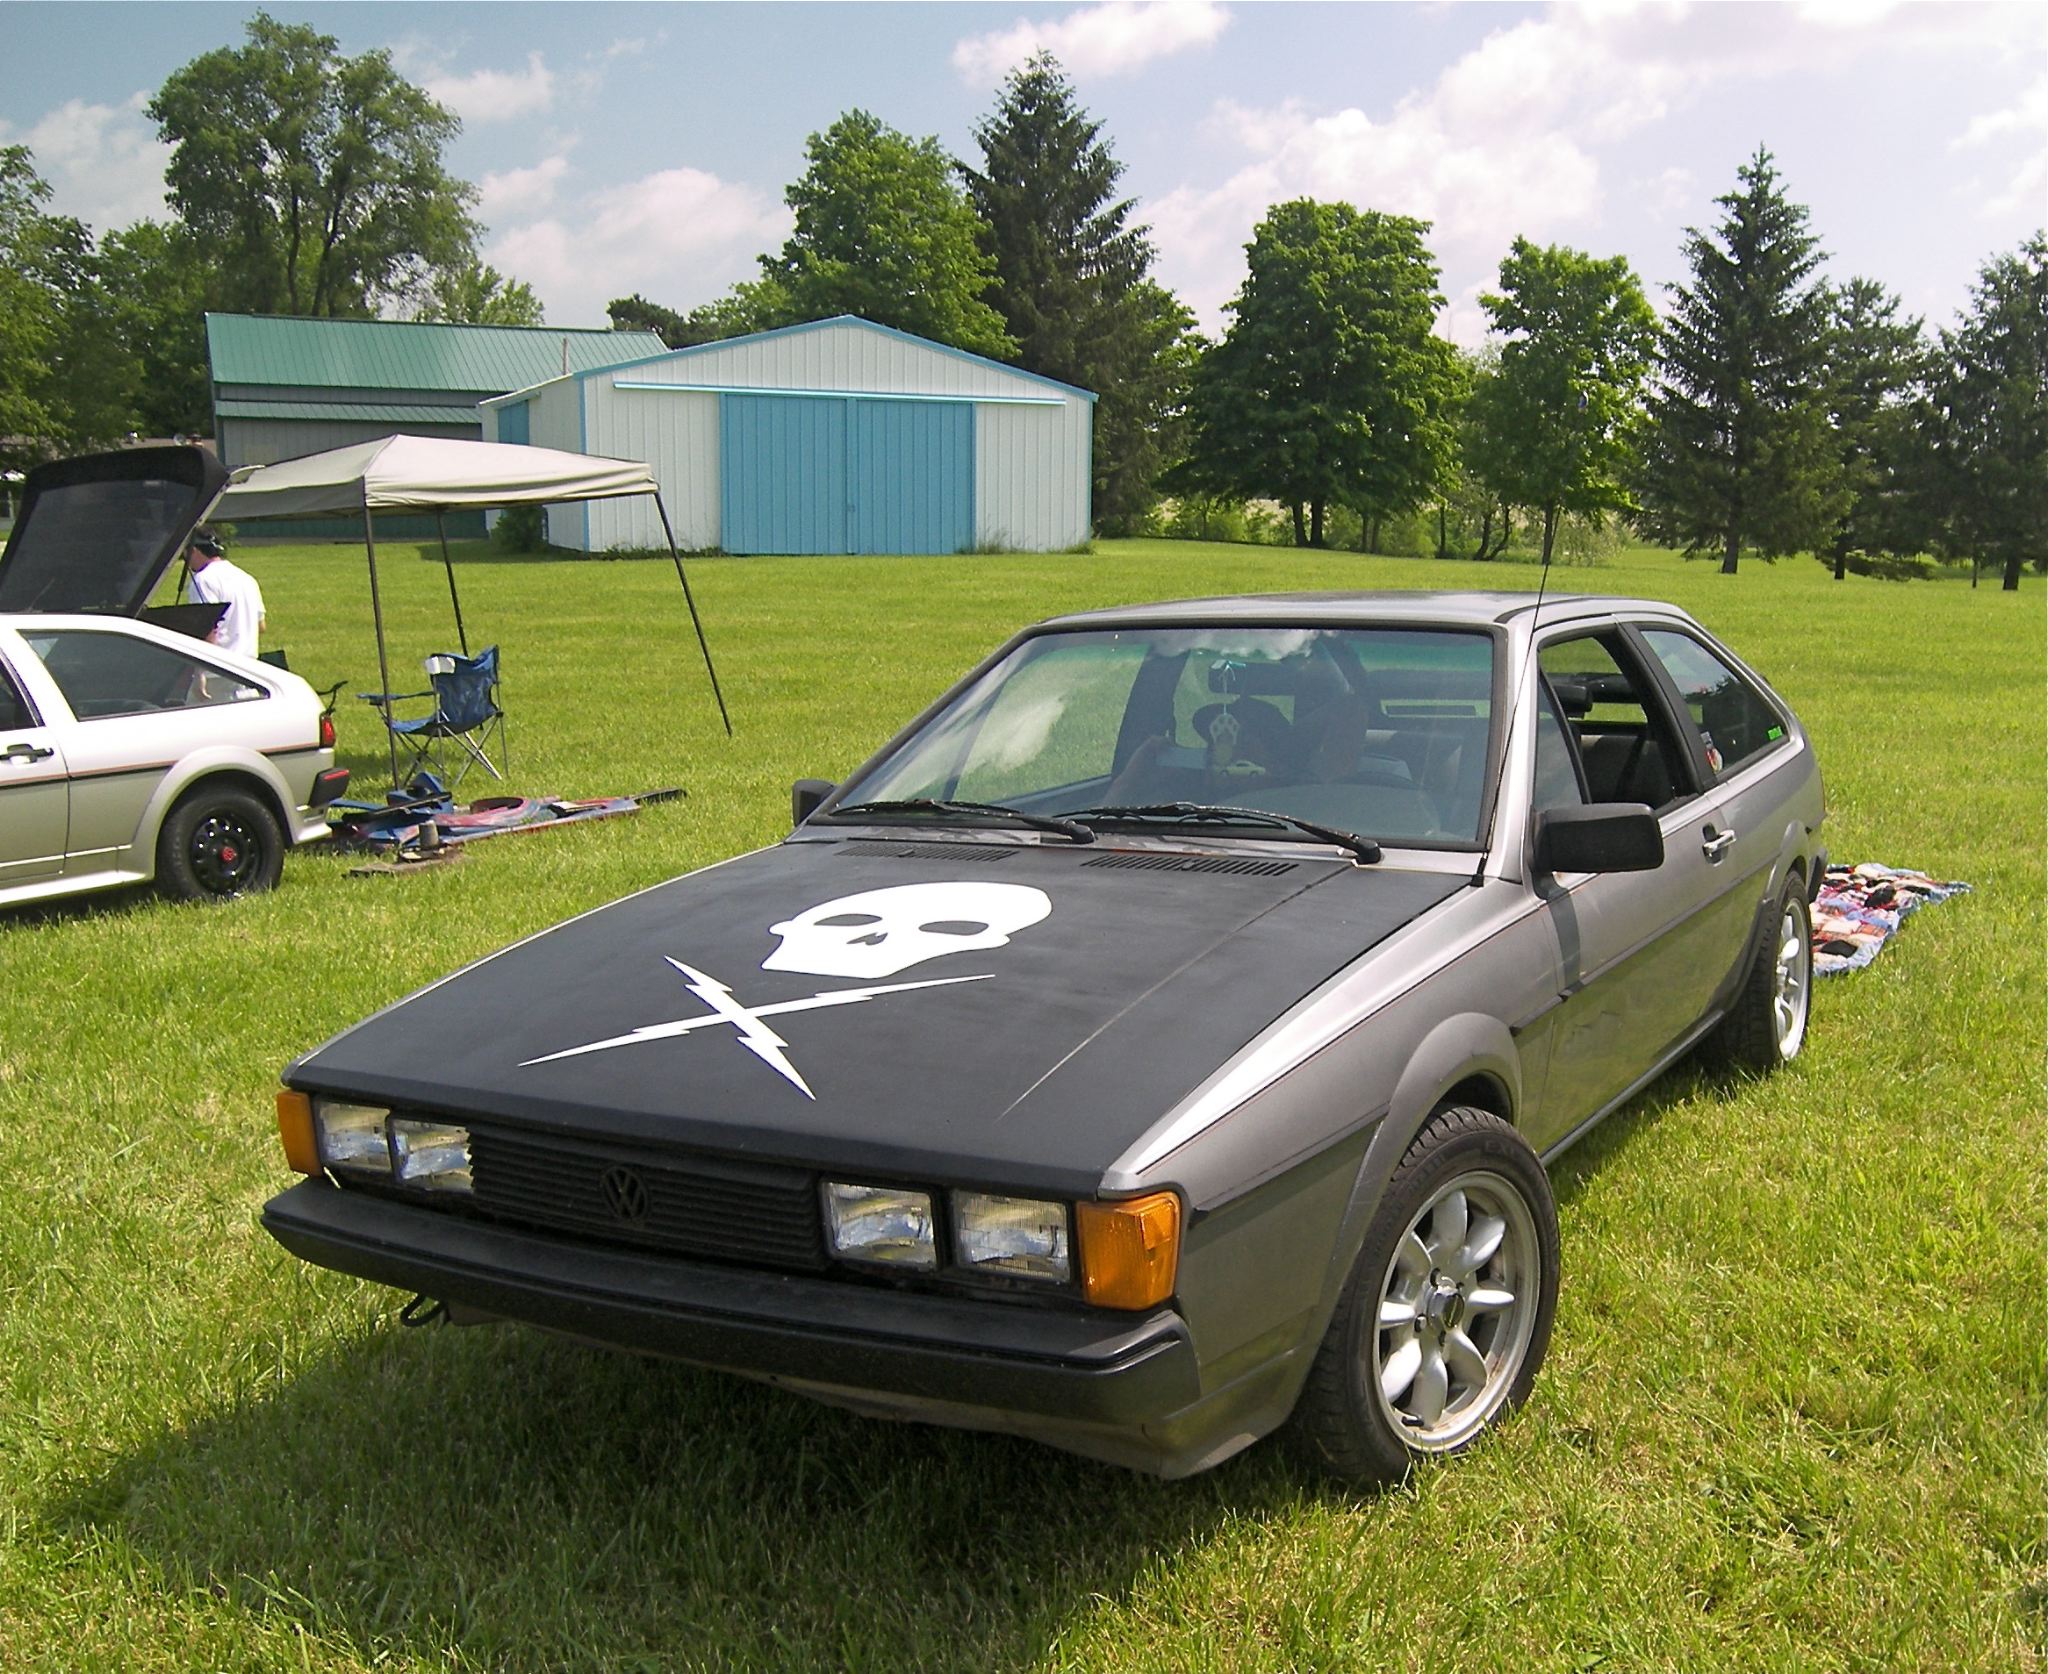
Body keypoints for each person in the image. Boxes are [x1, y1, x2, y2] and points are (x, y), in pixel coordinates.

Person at [185, 528, 266, 659]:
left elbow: (206, 630)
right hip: (248, 664)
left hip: (219, 663)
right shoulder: (247, 578)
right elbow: (261, 626)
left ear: (193, 551)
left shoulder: (202, 580)